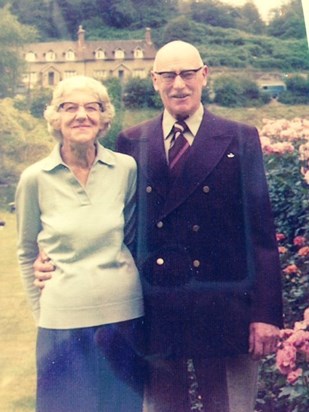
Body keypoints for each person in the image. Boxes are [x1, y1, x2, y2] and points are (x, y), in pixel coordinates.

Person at [34, 41, 283, 412]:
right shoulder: (132, 140)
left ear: (204, 75)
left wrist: (266, 314)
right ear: (154, 80)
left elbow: (261, 231)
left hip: (226, 309)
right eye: (167, 75)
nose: (178, 84)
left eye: (186, 74)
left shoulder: (239, 136)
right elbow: (110, 224)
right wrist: (53, 258)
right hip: (156, 312)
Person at [15, 75, 145, 412]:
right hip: (61, 325)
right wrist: (42, 312)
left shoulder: (125, 169)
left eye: (92, 107)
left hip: (123, 319)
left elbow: (129, 239)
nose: (81, 115)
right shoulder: (35, 178)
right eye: (69, 107)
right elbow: (27, 250)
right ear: (55, 119)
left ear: (105, 118)